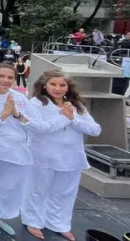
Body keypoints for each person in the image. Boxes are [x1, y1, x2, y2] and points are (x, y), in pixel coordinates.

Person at [0, 63, 72, 236]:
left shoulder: (19, 98)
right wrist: (4, 114)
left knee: (8, 185)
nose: (6, 80)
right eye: (2, 76)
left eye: (10, 77)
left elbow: (33, 123)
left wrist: (18, 115)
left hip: (16, 150)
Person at [21, 71, 101, 241]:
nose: (57, 88)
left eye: (62, 85)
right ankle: (33, 221)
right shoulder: (35, 104)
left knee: (65, 193)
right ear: (44, 85)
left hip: (71, 157)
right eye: (53, 84)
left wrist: (73, 119)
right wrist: (64, 118)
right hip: (43, 156)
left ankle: (59, 224)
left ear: (68, 87)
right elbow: (39, 128)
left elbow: (95, 130)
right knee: (38, 190)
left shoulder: (76, 106)